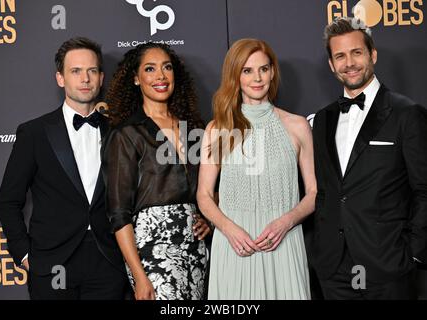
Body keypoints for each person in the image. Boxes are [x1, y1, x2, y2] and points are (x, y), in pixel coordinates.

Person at [0, 37, 128, 299]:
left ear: (102, 78)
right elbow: (8, 201)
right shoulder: (34, 133)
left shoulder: (119, 131)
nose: (85, 79)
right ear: (60, 78)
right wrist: (24, 254)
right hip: (51, 262)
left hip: (108, 260)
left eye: (92, 71)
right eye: (76, 71)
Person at [312, 17, 427, 299]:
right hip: (334, 267)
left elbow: (424, 189)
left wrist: (413, 255)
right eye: (340, 55)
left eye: (356, 52)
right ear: (331, 64)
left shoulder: (406, 113)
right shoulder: (323, 119)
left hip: (387, 263)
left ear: (372, 54)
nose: (349, 63)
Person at [197, 38, 316, 299]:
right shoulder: (217, 129)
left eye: (263, 69)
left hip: (283, 241)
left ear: (272, 72)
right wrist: (229, 229)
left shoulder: (297, 126)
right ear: (235, 76)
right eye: (247, 71)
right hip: (235, 244)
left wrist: (287, 221)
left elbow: (314, 193)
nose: (257, 78)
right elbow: (204, 195)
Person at [102, 42, 211, 300]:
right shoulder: (126, 134)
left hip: (196, 250)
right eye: (150, 69)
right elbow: (119, 214)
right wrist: (139, 275)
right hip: (151, 254)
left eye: (167, 67)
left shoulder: (194, 128)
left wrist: (208, 217)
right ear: (136, 79)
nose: (161, 76)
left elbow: (208, 188)